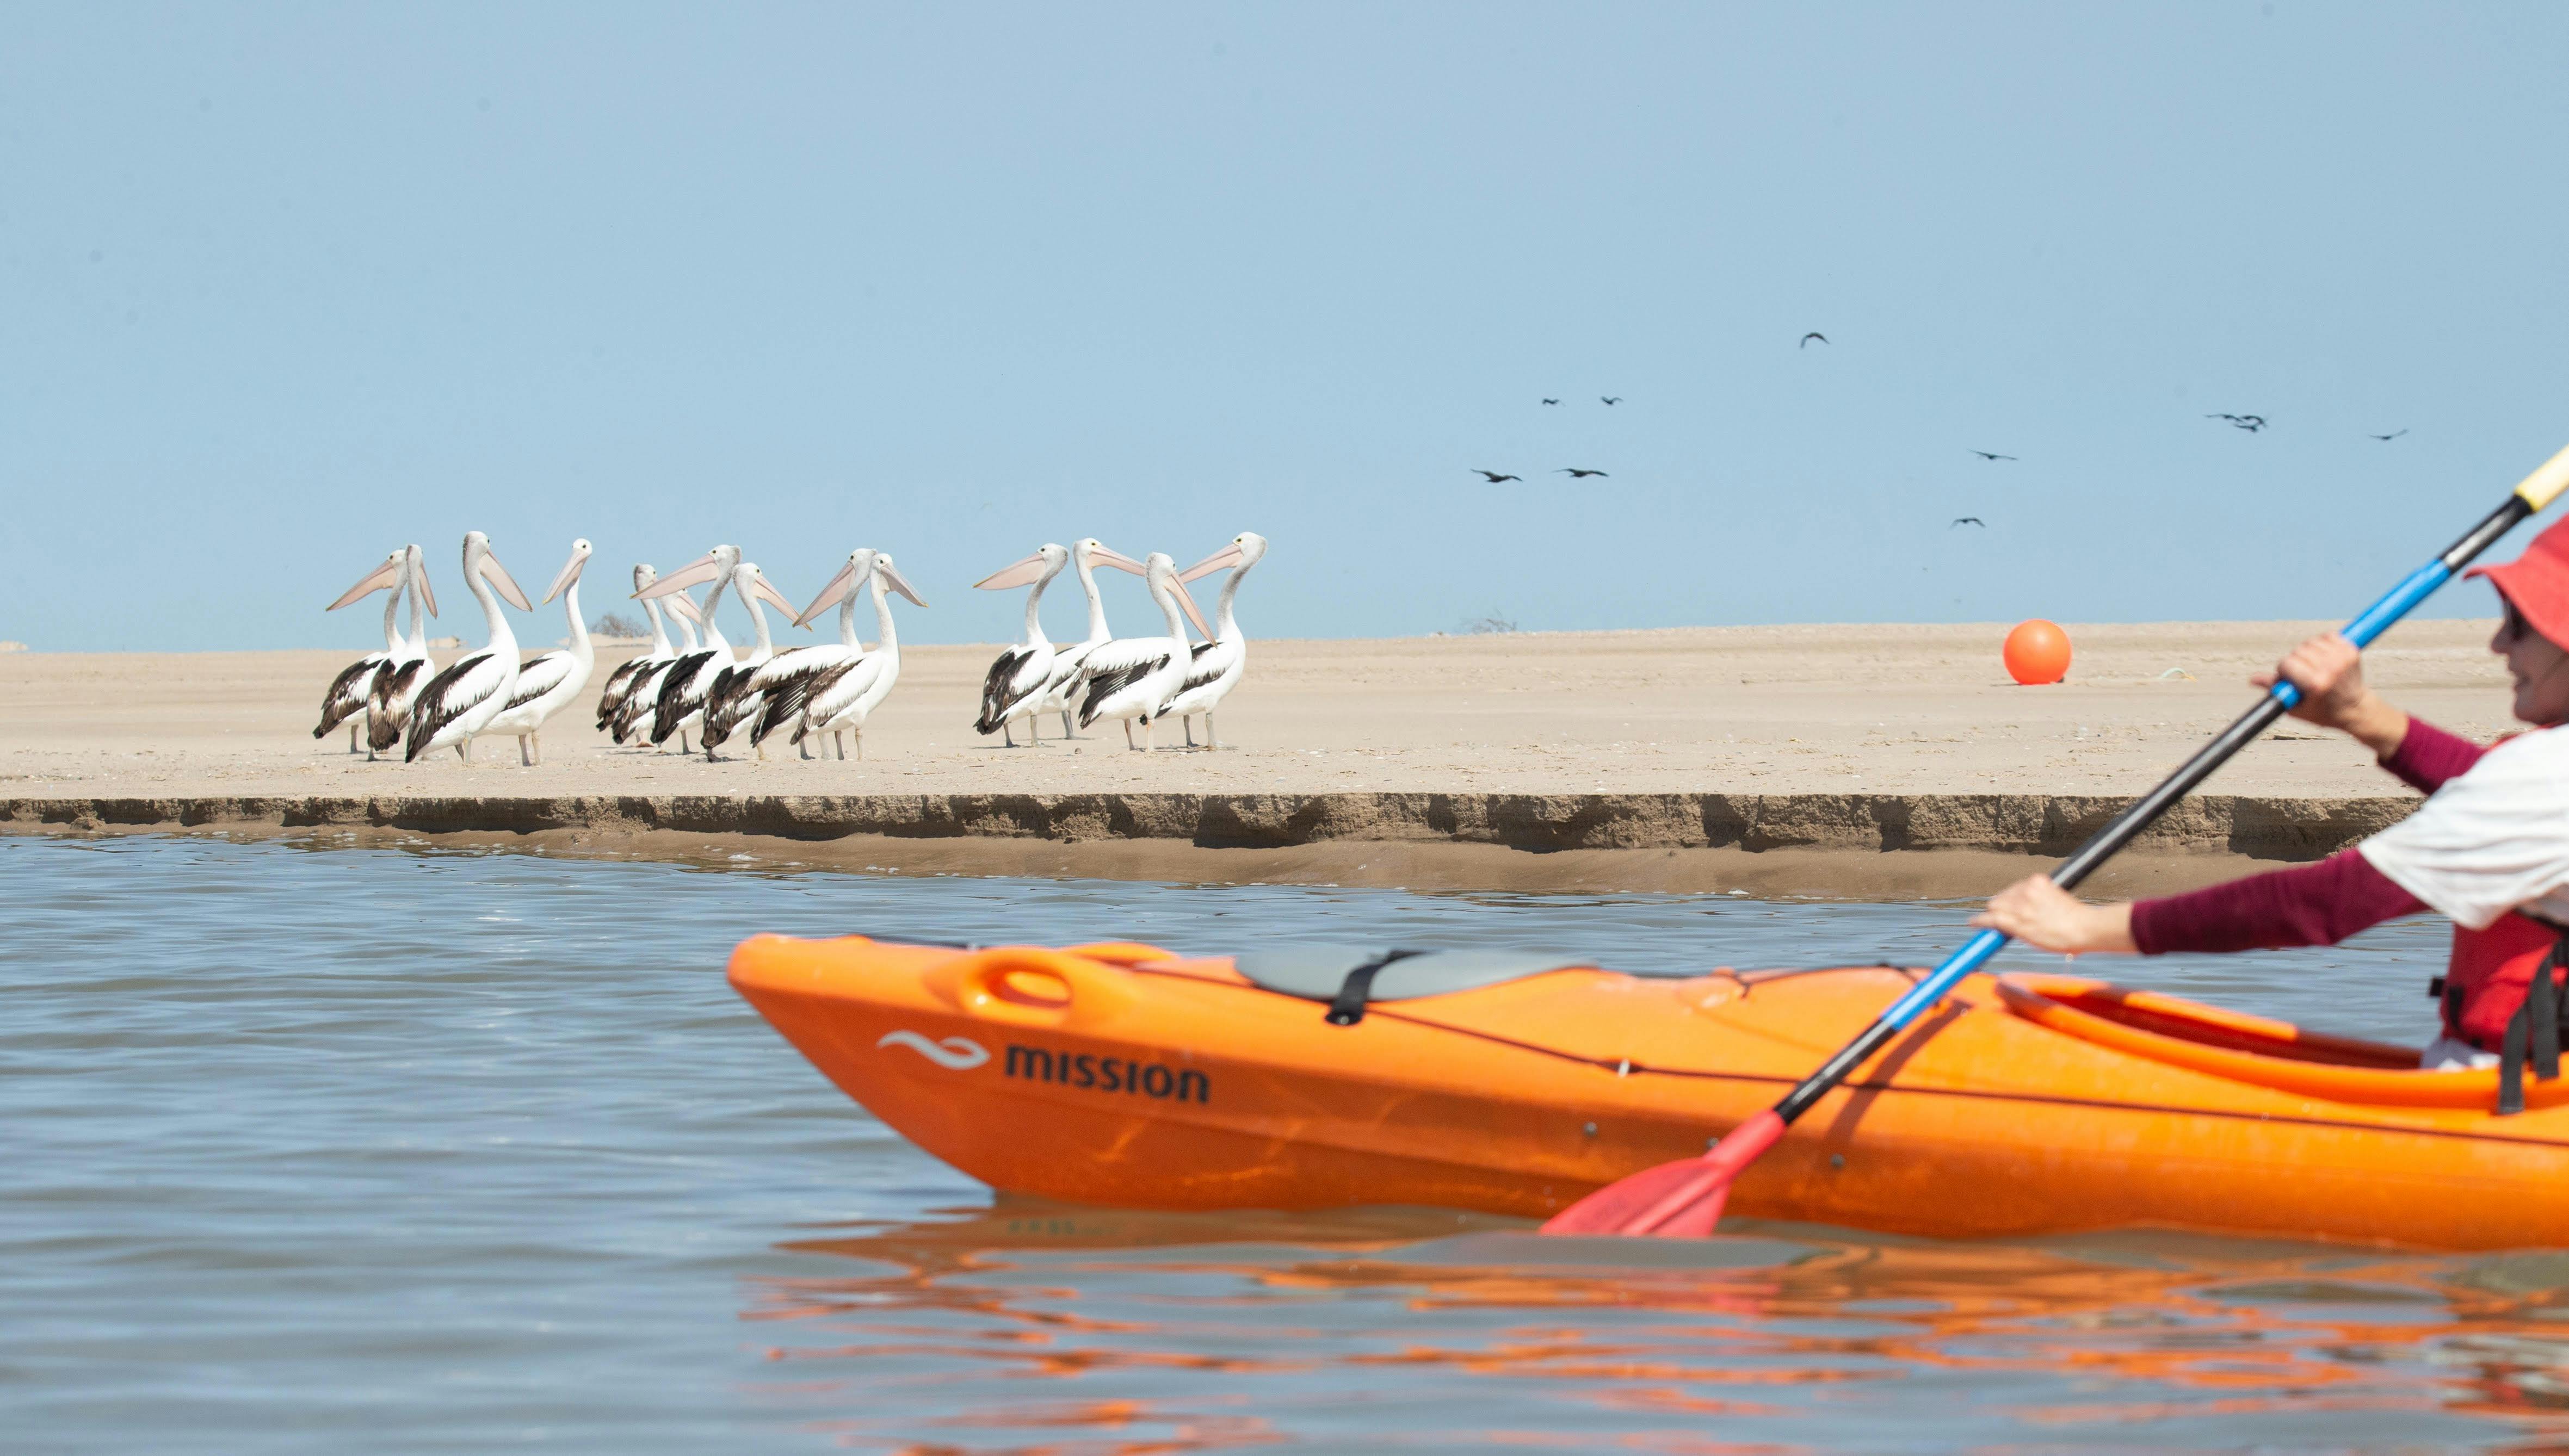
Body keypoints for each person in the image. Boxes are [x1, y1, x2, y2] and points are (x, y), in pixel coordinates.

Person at [1974, 515, 2569, 1108]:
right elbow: (2498, 794)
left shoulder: (2540, 777)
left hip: (2513, 1099)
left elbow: (2325, 903)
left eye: (2520, 621)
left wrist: (2087, 928)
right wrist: (2358, 713)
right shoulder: (2540, 778)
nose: (2499, 643)